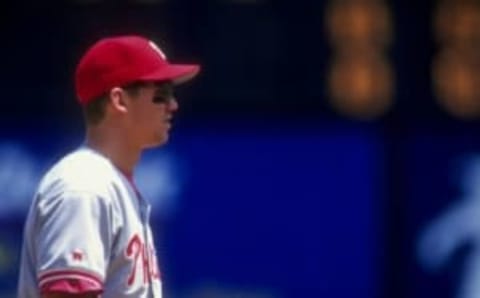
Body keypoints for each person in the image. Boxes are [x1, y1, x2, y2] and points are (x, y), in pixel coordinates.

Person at [17, 35, 200, 298]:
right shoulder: (84, 187)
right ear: (119, 100)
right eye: (161, 94)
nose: (173, 105)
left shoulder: (112, 186)